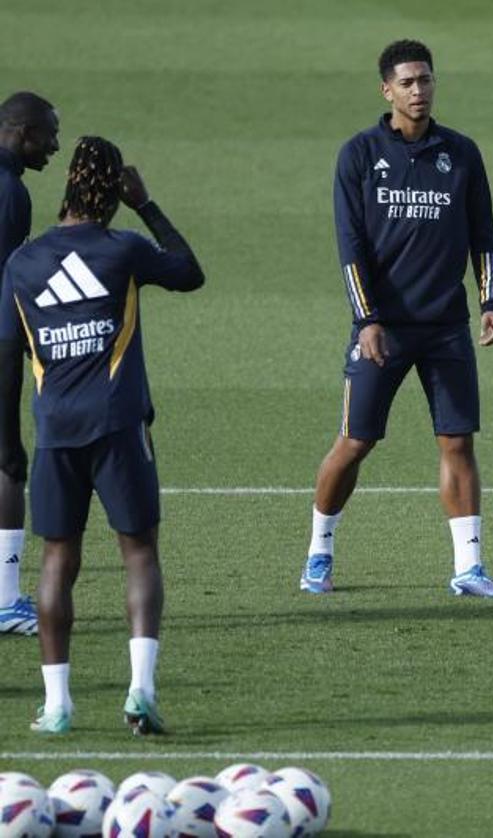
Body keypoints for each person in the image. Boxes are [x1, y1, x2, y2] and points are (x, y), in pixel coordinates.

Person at [0, 136, 204, 734]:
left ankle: (58, 705)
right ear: (116, 188)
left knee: (58, 558)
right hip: (118, 427)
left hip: (55, 431)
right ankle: (140, 691)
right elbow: (190, 272)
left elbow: (8, 356)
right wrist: (147, 205)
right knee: (139, 553)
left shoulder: (22, 262)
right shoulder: (124, 250)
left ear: (65, 183)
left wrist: (8, 440)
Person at [303, 39, 493, 599]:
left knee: (457, 441)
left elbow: (483, 235)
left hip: (446, 326)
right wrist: (366, 318)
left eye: (426, 80)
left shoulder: (461, 153)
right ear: (386, 90)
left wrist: (490, 301)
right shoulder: (358, 154)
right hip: (383, 329)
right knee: (354, 442)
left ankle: (469, 567)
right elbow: (350, 247)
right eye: (408, 82)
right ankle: (318, 552)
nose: (419, 91)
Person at [0, 91, 59, 636]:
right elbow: (6, 283)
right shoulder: (10, 193)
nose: (55, 147)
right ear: (21, 132)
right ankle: (5, 599)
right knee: (7, 461)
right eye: (48, 135)